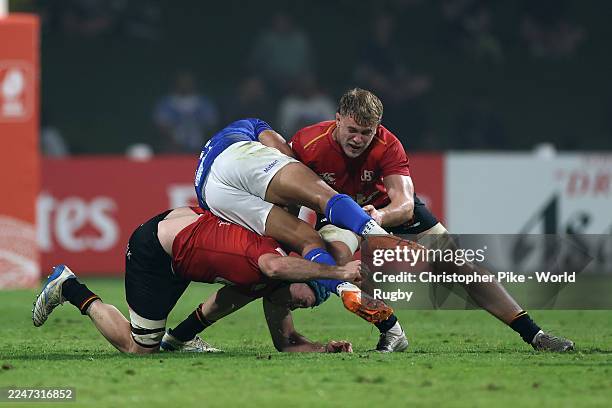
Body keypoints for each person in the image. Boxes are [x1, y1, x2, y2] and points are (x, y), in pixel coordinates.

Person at [288, 88, 574, 352]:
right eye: (352, 130)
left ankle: (535, 335)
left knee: (459, 264)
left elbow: (404, 204)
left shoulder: (388, 145)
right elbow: (286, 188)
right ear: (337, 120)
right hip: (339, 214)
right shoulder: (306, 142)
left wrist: (380, 216)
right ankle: (390, 329)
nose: (358, 139)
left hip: (383, 209)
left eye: (367, 132)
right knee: (338, 262)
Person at [32, 206, 360, 354]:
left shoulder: (273, 279)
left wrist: (323, 349)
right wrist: (337, 274)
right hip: (156, 253)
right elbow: (271, 268)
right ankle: (69, 286)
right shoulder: (271, 265)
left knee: (167, 338)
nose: (308, 302)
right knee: (139, 349)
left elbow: (284, 342)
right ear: (300, 267)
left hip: (184, 238)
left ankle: (178, 340)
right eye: (312, 293)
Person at [194, 118, 398, 326]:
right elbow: (284, 154)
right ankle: (380, 237)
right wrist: (300, 187)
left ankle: (344, 289)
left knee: (304, 241)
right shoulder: (252, 124)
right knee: (321, 198)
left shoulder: (222, 142)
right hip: (235, 158)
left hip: (209, 194)